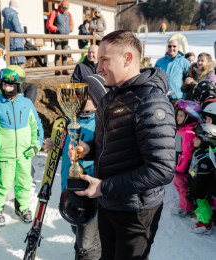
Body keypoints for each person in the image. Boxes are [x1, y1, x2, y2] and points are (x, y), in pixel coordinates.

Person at [68, 30, 176, 260]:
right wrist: (87, 150)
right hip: (108, 204)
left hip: (135, 210)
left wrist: (104, 187)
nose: (98, 68)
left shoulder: (151, 101)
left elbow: (161, 169)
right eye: (98, 61)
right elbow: (113, 145)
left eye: (104, 60)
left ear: (127, 59)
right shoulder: (109, 98)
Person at [46, 74, 107, 259]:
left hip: (88, 190)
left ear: (96, 99)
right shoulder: (69, 119)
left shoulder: (102, 122)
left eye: (85, 96)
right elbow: (66, 150)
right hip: (69, 186)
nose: (78, 99)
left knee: (86, 245)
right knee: (76, 228)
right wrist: (54, 144)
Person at [0, 65, 44, 226]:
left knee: (25, 182)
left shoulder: (26, 103)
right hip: (4, 153)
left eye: (10, 85)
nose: (6, 88)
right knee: (3, 183)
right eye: (4, 84)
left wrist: (36, 144)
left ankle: (22, 206)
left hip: (25, 153)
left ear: (18, 86)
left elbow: (36, 126)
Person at [171, 100, 202, 217]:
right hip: (179, 162)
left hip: (182, 167)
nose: (177, 117)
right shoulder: (183, 128)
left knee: (180, 185)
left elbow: (187, 153)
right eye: (177, 114)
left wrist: (179, 169)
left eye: (181, 115)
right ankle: (185, 204)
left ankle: (184, 208)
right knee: (181, 185)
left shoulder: (188, 132)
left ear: (189, 117)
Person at [187, 123, 216, 234]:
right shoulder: (202, 151)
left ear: (206, 140)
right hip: (198, 184)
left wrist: (194, 192)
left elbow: (201, 178)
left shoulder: (206, 158)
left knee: (198, 202)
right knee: (202, 201)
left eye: (197, 138)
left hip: (199, 186)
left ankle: (205, 223)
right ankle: (208, 218)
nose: (193, 140)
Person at [155, 39, 190, 104]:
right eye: (169, 46)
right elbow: (154, 78)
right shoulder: (160, 61)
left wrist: (186, 97)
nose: (171, 48)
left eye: (174, 46)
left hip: (177, 97)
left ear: (178, 48)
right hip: (162, 96)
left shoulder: (184, 62)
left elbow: (188, 80)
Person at [46, 0, 74, 76]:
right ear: (61, 6)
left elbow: (71, 24)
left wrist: (70, 29)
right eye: (64, 8)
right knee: (58, 53)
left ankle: (65, 70)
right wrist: (57, 29)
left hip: (66, 36)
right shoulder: (54, 12)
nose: (65, 10)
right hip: (57, 36)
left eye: (66, 8)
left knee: (65, 54)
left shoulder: (68, 14)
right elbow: (48, 24)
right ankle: (57, 70)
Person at [2, 0, 25, 67]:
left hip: (10, 40)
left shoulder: (6, 15)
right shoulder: (13, 14)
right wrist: (24, 37)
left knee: (11, 59)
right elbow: (18, 28)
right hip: (16, 40)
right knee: (17, 61)